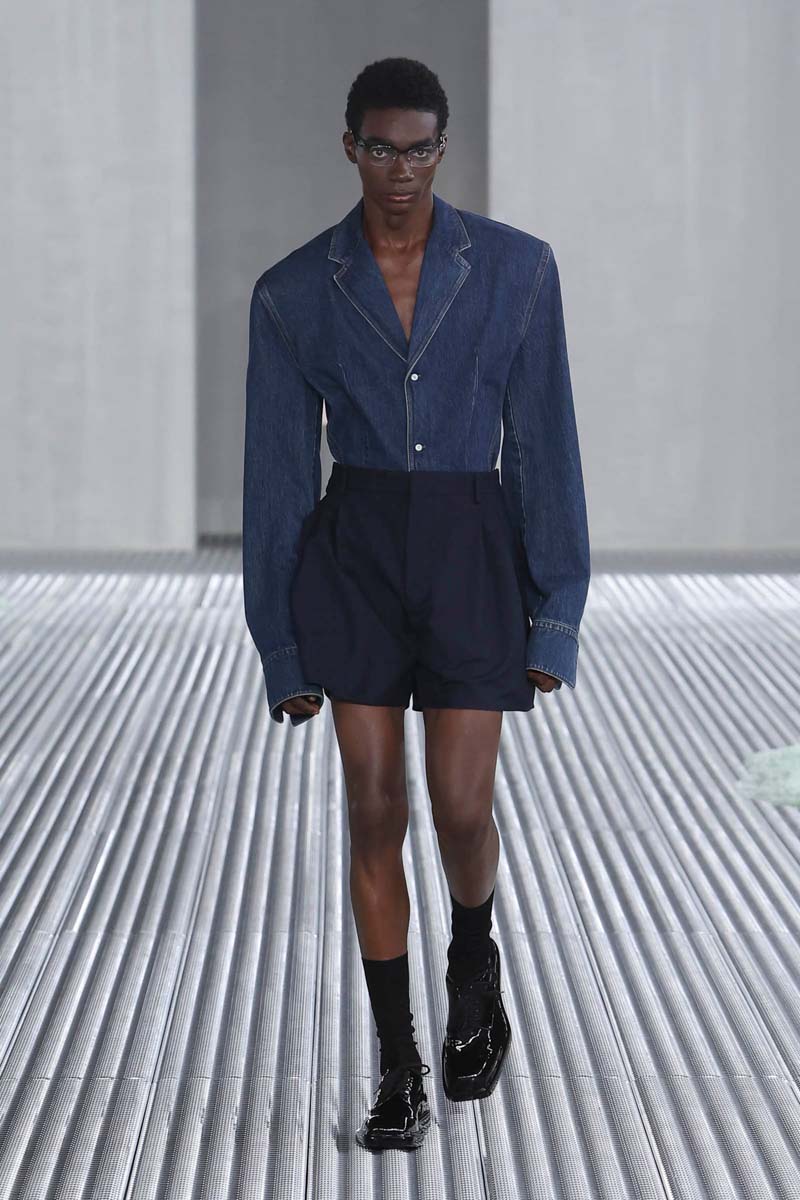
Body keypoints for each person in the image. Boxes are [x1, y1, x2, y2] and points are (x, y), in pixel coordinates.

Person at [242, 57, 590, 1151]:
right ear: (349, 146)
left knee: (461, 809)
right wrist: (282, 645)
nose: (402, 169)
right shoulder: (294, 291)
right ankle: (398, 1068)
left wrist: (555, 609)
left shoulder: (517, 271)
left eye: (421, 148)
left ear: (444, 147)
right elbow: (275, 480)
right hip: (353, 558)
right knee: (372, 810)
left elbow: (543, 444)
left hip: (470, 551)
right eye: (383, 148)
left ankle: (472, 960)